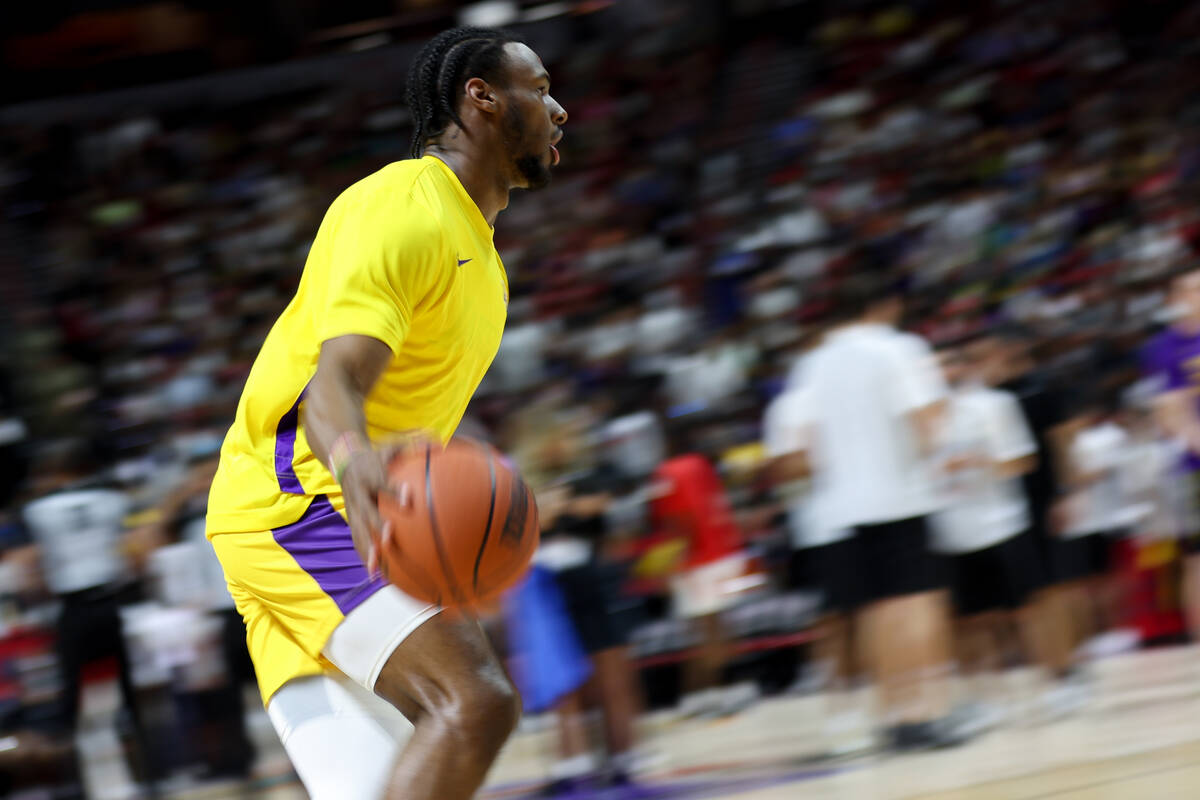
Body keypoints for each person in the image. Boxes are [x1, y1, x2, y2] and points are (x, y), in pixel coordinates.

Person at [203, 27, 568, 800]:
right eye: (540, 89)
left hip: (338, 516)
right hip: (301, 499)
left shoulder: (486, 265)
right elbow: (334, 381)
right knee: (476, 702)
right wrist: (353, 455)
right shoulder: (404, 207)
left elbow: (403, 406)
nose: (559, 110)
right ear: (481, 96)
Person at [781, 272, 960, 751]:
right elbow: (926, 422)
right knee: (919, 603)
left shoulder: (813, 363)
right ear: (886, 304)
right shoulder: (898, 348)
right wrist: (937, 444)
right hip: (903, 492)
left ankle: (893, 716)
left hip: (848, 504)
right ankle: (929, 711)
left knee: (879, 612)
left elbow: (804, 444)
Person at [1144, 267, 1200, 641]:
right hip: (1191, 469)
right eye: (1193, 290)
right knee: (1196, 562)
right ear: (1178, 298)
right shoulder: (1161, 349)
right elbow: (1168, 417)